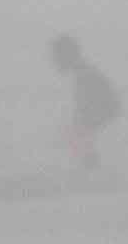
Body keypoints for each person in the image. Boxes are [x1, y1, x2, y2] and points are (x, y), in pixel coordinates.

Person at [52, 35, 123, 173]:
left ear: (66, 57)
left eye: (57, 58)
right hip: (104, 115)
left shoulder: (84, 75)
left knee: (75, 134)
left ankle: (91, 171)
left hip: (106, 115)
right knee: (71, 134)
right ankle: (89, 169)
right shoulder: (82, 73)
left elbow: (87, 107)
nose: (55, 63)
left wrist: (79, 125)